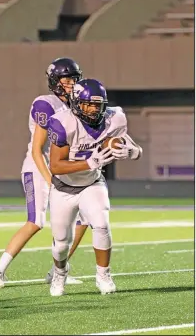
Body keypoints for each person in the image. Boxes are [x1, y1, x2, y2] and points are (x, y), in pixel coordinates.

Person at [0, 58, 88, 287]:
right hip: (38, 166)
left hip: (63, 168)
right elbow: (36, 149)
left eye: (74, 79)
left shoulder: (77, 106)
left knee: (82, 219)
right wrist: (51, 179)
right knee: (36, 221)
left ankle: (57, 272)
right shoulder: (45, 103)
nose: (72, 83)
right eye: (67, 79)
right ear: (55, 81)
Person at [46, 78, 142, 296]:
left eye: (98, 105)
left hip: (92, 182)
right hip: (64, 187)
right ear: (76, 102)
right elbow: (55, 166)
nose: (93, 109)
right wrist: (89, 162)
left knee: (101, 224)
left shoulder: (113, 118)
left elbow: (133, 147)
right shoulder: (63, 122)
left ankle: (103, 274)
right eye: (88, 104)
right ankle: (60, 274)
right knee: (61, 243)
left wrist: (133, 152)